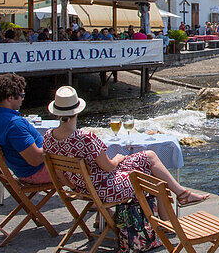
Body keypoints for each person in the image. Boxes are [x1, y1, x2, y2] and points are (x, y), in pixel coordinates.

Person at [41, 86, 207, 214]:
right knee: (154, 179)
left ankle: (182, 194)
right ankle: (169, 222)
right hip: (104, 188)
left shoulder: (48, 137)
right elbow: (109, 167)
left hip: (84, 188)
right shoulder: (86, 138)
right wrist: (119, 158)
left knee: (149, 156)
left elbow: (60, 175)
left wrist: (76, 187)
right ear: (77, 111)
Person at [0, 73, 51, 184]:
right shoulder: (14, 124)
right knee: (83, 163)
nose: (22, 100)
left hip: (21, 171)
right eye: (22, 96)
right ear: (10, 98)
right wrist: (56, 146)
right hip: (37, 172)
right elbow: (35, 159)